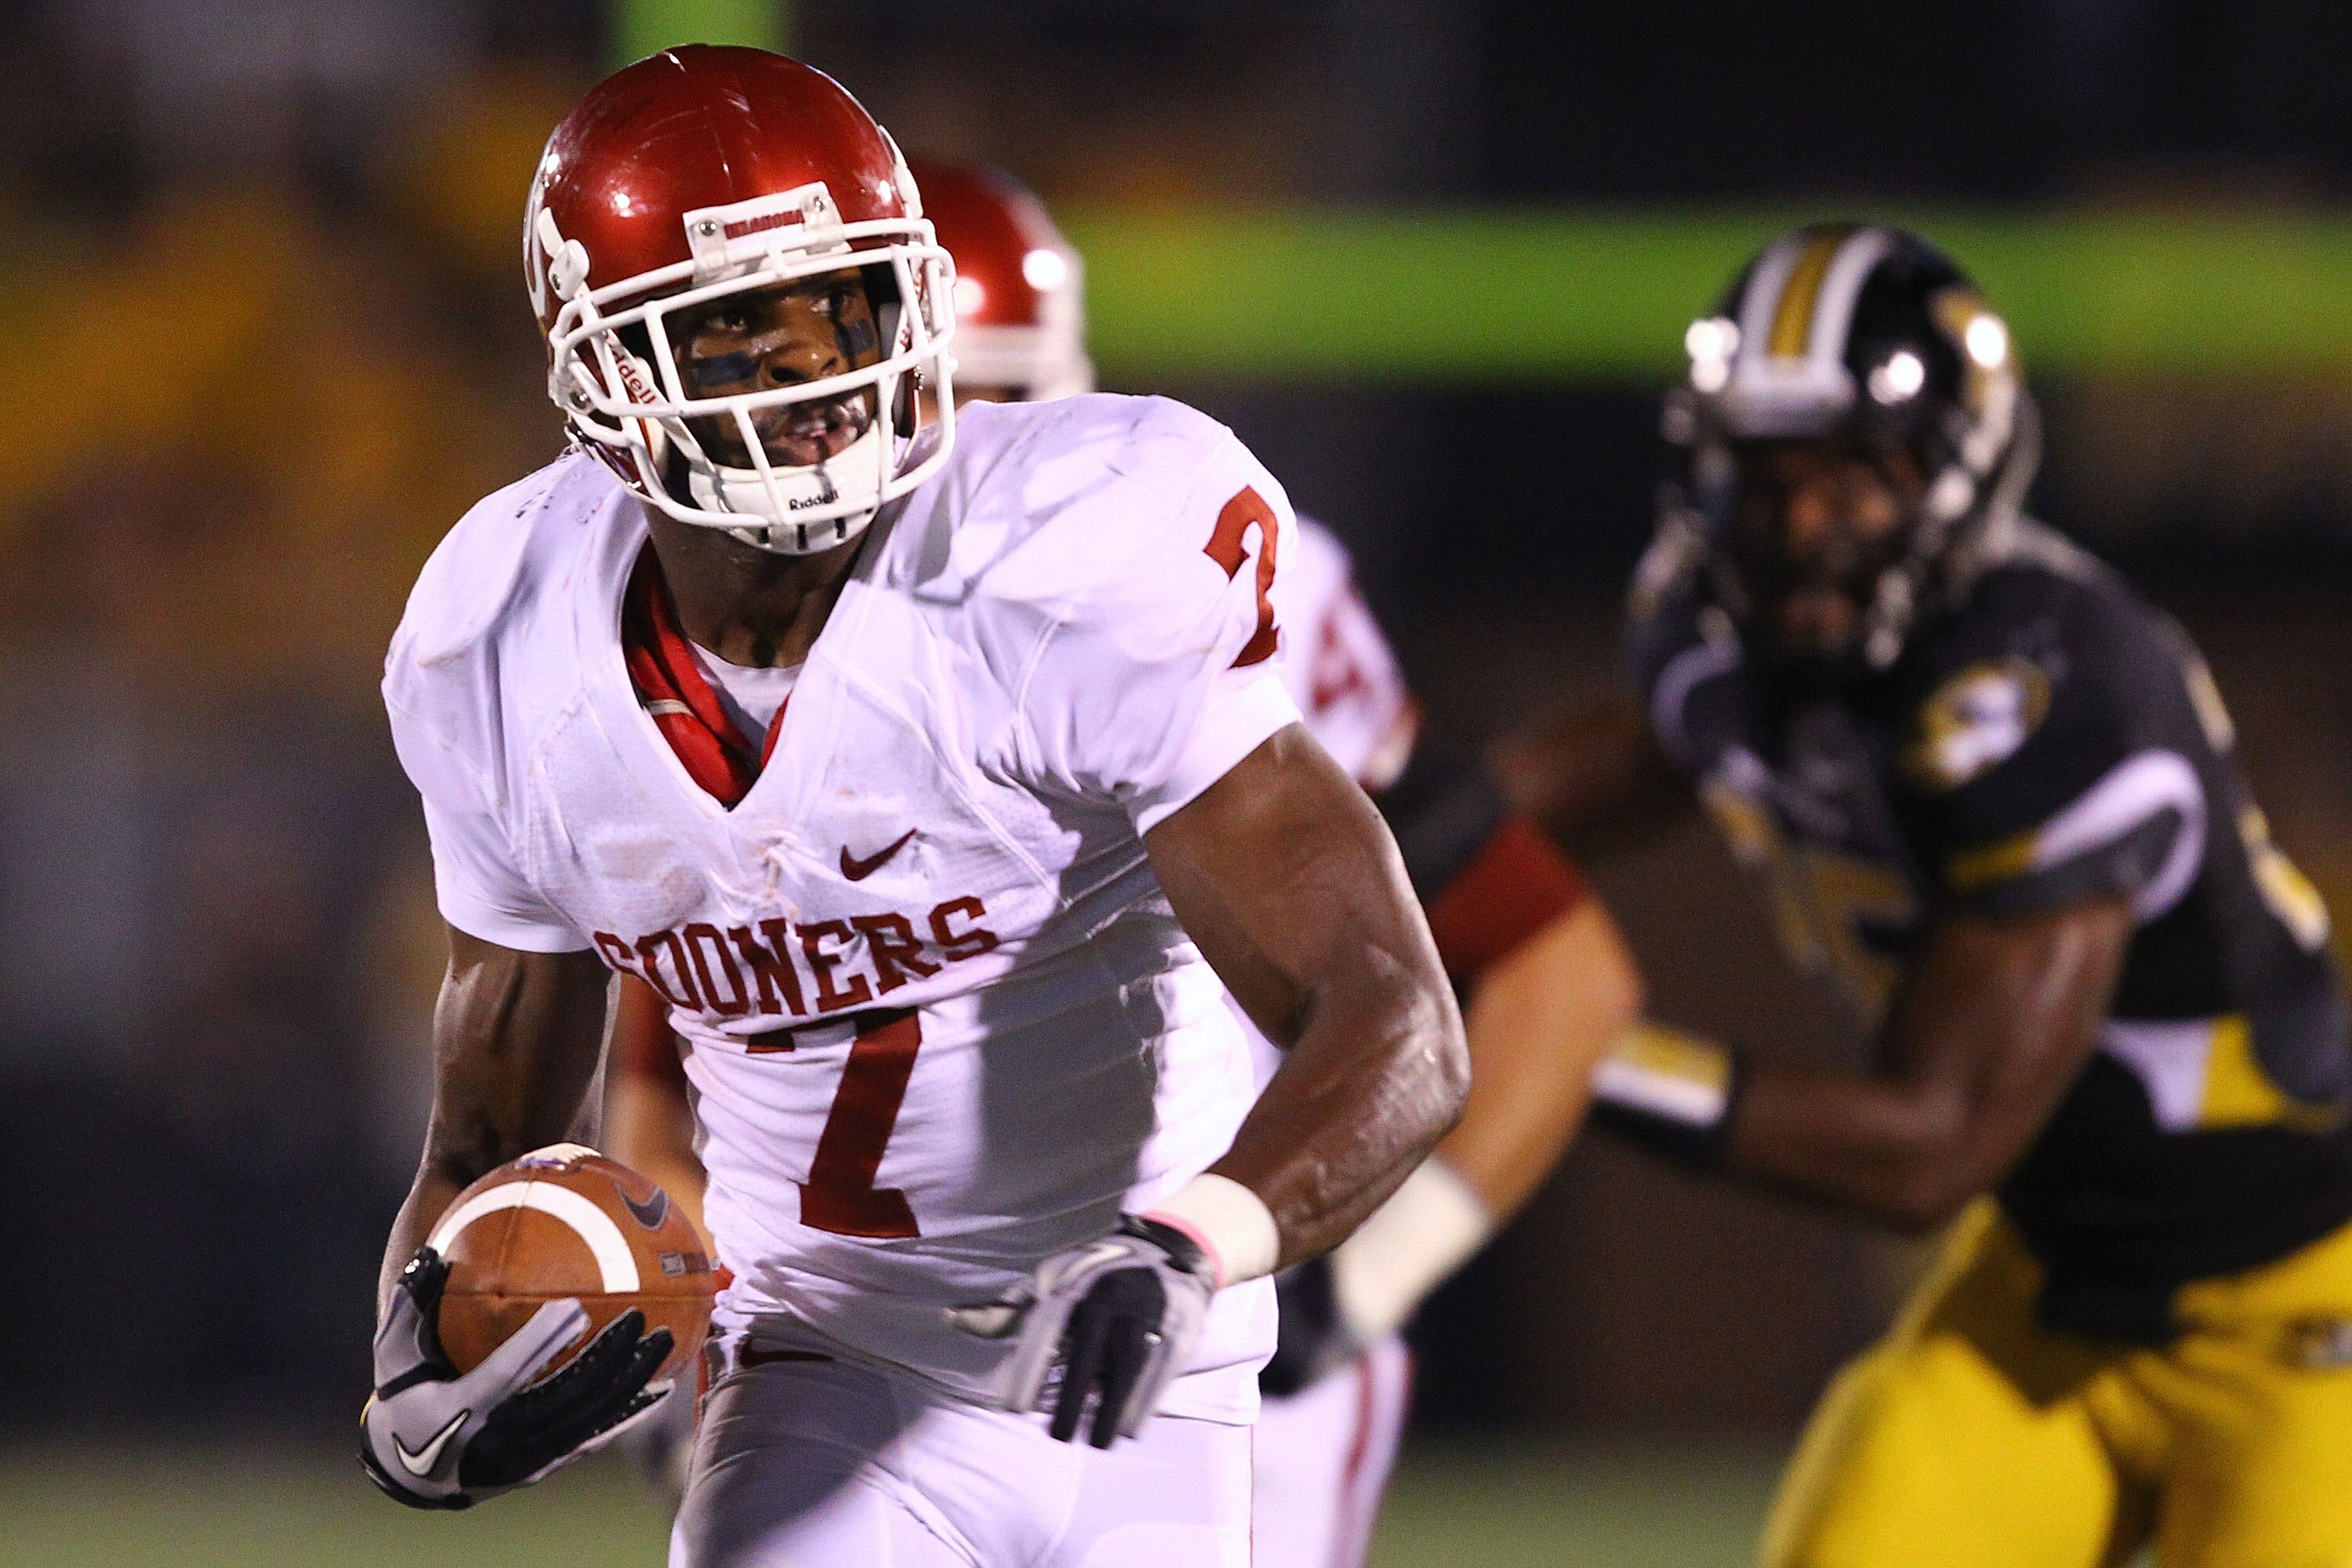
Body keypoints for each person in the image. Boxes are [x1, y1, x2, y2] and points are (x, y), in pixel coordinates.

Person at [358, 49, 1471, 1568]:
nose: (814, 381)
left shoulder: (1067, 548)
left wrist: (1190, 1245)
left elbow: (1394, 1015)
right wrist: (422, 1370)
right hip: (820, 1370)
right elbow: (486, 1136)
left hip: (1144, 1372)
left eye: (842, 310)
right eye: (740, 330)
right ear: (607, 371)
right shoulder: (499, 635)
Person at [601, 158, 1645, 1566]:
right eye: (913, 404)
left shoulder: (1162, 585)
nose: (942, 456)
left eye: (996, 402)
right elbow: (667, 1062)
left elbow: (1549, 975)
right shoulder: (737, 645)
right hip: (867, 1347)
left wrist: (1335, 1277)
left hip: (1187, 1309)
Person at [1498, 222, 2352, 1568]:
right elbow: (1568, 787)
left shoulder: (2060, 686)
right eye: (1765, 480)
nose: (1797, 529)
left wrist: (1573, 1056)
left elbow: (1926, 1149)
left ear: (1954, 476)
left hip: (2300, 1311)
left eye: (1850, 481)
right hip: (2048, 1290)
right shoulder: (1722, 632)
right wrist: (1364, 853)